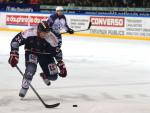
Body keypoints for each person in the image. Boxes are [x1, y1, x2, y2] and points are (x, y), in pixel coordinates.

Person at [8, 21, 67, 98]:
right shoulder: (29, 32)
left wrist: (61, 64)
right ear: (39, 30)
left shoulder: (52, 38)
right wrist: (14, 53)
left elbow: (57, 52)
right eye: (44, 32)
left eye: (48, 32)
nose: (46, 34)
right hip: (32, 52)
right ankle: (24, 87)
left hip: (46, 55)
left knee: (53, 77)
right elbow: (15, 41)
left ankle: (44, 75)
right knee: (31, 68)